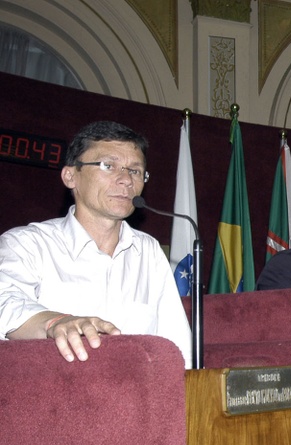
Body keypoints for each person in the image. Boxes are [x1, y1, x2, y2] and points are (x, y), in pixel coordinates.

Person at [0, 121, 192, 366]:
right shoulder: (27, 244)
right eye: (108, 166)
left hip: (138, 397)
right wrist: (55, 323)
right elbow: (5, 302)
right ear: (70, 176)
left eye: (135, 170)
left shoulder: (148, 251)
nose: (125, 179)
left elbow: (177, 345)